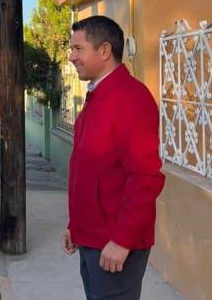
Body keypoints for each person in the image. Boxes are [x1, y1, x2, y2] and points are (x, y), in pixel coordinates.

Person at [61, 16, 165, 300]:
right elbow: (89, 168)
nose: (72, 57)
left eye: (78, 49)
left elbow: (146, 178)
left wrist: (122, 240)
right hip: (92, 239)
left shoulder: (132, 100)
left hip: (115, 245)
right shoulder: (98, 96)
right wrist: (76, 226)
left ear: (104, 50)